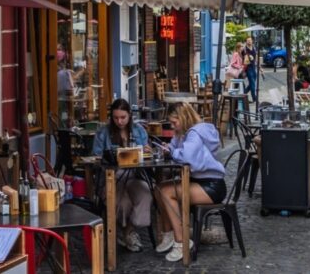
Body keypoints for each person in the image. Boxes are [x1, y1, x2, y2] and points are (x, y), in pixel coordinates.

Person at [153, 103, 226, 263]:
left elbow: (187, 157)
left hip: (211, 186)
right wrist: (170, 146)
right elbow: (175, 149)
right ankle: (169, 235)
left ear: (183, 118)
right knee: (159, 188)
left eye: (174, 122)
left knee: (166, 192)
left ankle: (182, 242)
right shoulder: (183, 133)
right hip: (198, 182)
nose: (172, 126)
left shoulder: (195, 134)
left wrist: (172, 151)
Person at [92, 99, 151, 252]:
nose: (119, 121)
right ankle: (128, 233)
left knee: (145, 193)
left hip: (134, 176)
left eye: (123, 117)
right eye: (116, 118)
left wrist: (146, 151)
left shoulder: (139, 131)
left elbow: (146, 155)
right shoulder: (103, 133)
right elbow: (95, 157)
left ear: (130, 115)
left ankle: (131, 228)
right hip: (112, 178)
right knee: (123, 203)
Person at [242, 37, 259, 102]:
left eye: (250, 40)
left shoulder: (254, 48)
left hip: (253, 67)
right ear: (246, 42)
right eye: (247, 40)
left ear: (252, 41)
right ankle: (254, 98)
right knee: (252, 83)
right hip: (248, 68)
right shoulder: (244, 49)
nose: (249, 42)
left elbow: (256, 58)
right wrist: (248, 58)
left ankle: (244, 93)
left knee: (253, 83)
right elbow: (242, 59)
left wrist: (260, 67)